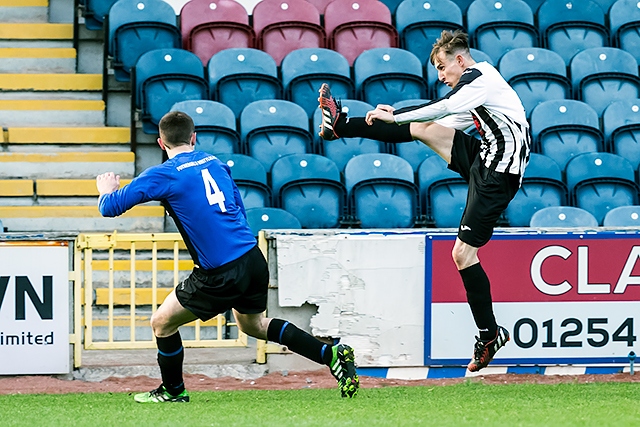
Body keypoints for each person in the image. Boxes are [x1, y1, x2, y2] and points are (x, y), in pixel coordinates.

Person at [96, 111, 359, 402]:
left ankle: (173, 391)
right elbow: (239, 209)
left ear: (160, 142)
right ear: (194, 137)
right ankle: (330, 354)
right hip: (251, 257)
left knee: (162, 323)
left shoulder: (164, 174)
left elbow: (110, 207)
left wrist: (106, 190)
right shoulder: (216, 163)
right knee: (253, 325)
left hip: (220, 271)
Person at [318, 30, 531, 372]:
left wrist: (397, 116)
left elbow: (445, 106)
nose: (441, 76)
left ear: (460, 59)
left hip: (498, 175)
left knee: (462, 255)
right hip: (485, 158)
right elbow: (437, 119)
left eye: (443, 68)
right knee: (424, 129)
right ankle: (340, 125)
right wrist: (398, 114)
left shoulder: (479, 81)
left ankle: (489, 335)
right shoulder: (476, 85)